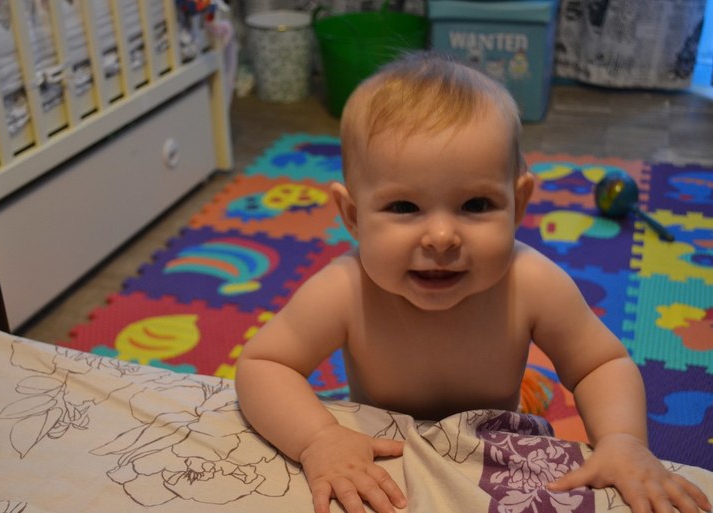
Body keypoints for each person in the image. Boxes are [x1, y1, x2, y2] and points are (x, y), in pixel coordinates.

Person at [234, 51, 711, 513]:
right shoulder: (344, 288)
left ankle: (534, 391)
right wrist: (318, 438)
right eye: (404, 207)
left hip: (494, 438)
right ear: (353, 216)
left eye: (476, 205)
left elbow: (601, 364)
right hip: (395, 453)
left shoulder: (533, 282)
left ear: (518, 204)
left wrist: (622, 440)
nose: (442, 237)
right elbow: (263, 364)